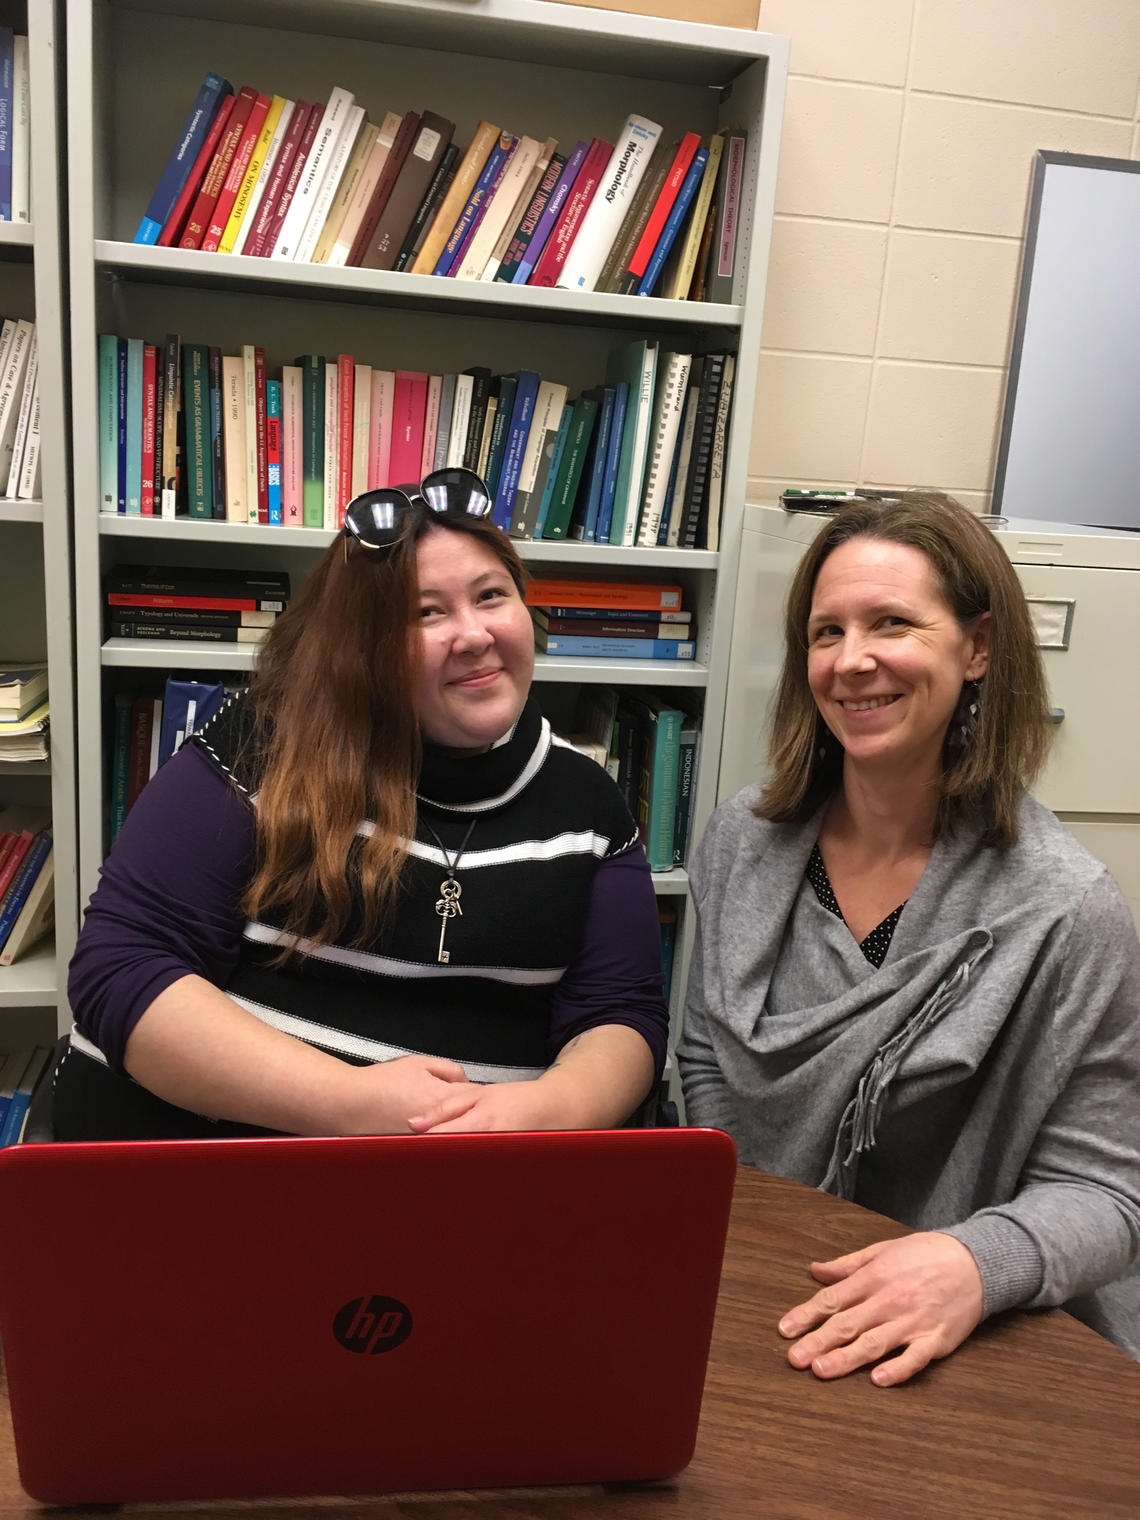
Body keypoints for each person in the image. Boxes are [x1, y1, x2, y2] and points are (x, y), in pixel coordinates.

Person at [678, 492, 1140, 1383]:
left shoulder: (1067, 908)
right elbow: (705, 1056)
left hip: (967, 1331)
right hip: (762, 1287)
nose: (852, 662)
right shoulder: (743, 841)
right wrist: (761, 1233)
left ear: (977, 648)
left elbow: (1108, 1196)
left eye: (892, 623)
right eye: (825, 632)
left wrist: (972, 1264)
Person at [58, 468, 667, 1140]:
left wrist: (534, 1117)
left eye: (491, 596)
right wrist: (348, 1102)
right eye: (426, 612)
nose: (472, 634)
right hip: (221, 1181)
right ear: (361, 650)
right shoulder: (258, 752)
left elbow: (622, 1017)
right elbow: (121, 968)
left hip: (468, 1198)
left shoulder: (592, 806)